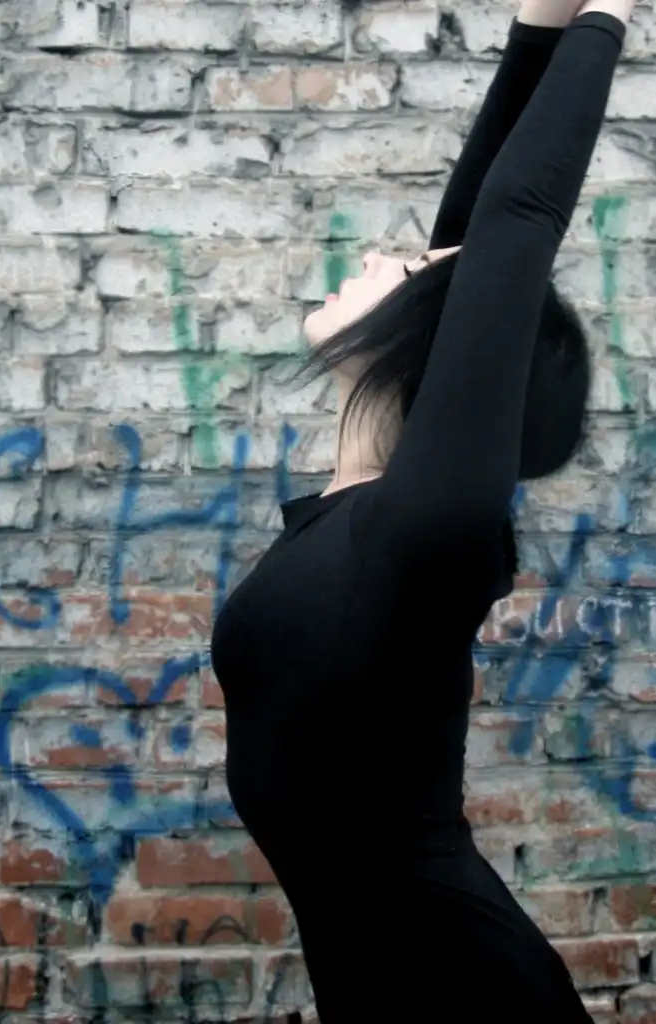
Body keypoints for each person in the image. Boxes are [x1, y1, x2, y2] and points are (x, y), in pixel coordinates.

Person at [210, 1, 633, 1020]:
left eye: (396, 270)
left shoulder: (423, 534)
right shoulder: (356, 519)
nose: (372, 258)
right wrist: (540, 24)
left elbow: (514, 223)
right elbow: (471, 240)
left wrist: (611, 15)